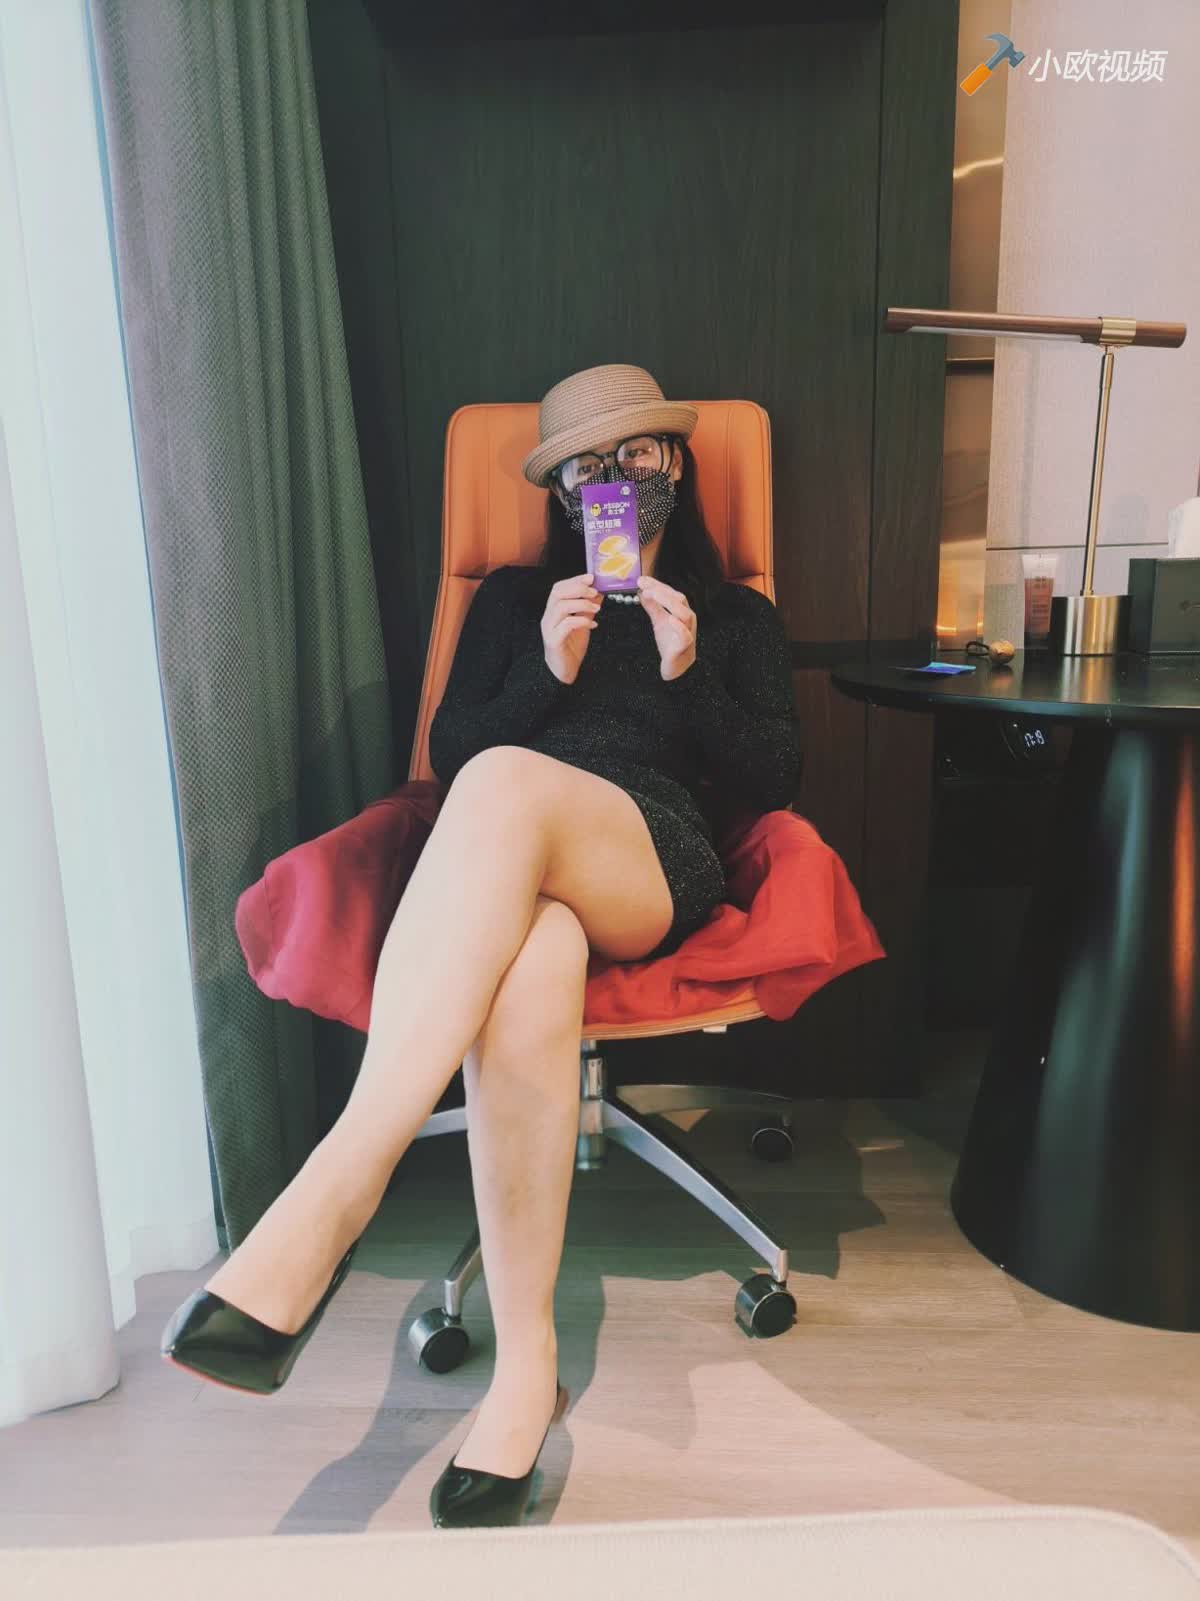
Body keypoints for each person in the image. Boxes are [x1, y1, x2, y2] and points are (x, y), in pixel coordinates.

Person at [160, 363, 803, 1529]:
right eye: (588, 466)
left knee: (511, 786)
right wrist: (545, 670)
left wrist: (688, 671)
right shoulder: (513, 601)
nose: (617, 478)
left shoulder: (734, 616)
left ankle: (336, 1191)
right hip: (515, 872)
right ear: (561, 493)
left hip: (651, 854)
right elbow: (453, 753)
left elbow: (774, 778)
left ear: (675, 461)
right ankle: (523, 1377)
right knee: (535, 949)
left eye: (638, 453)